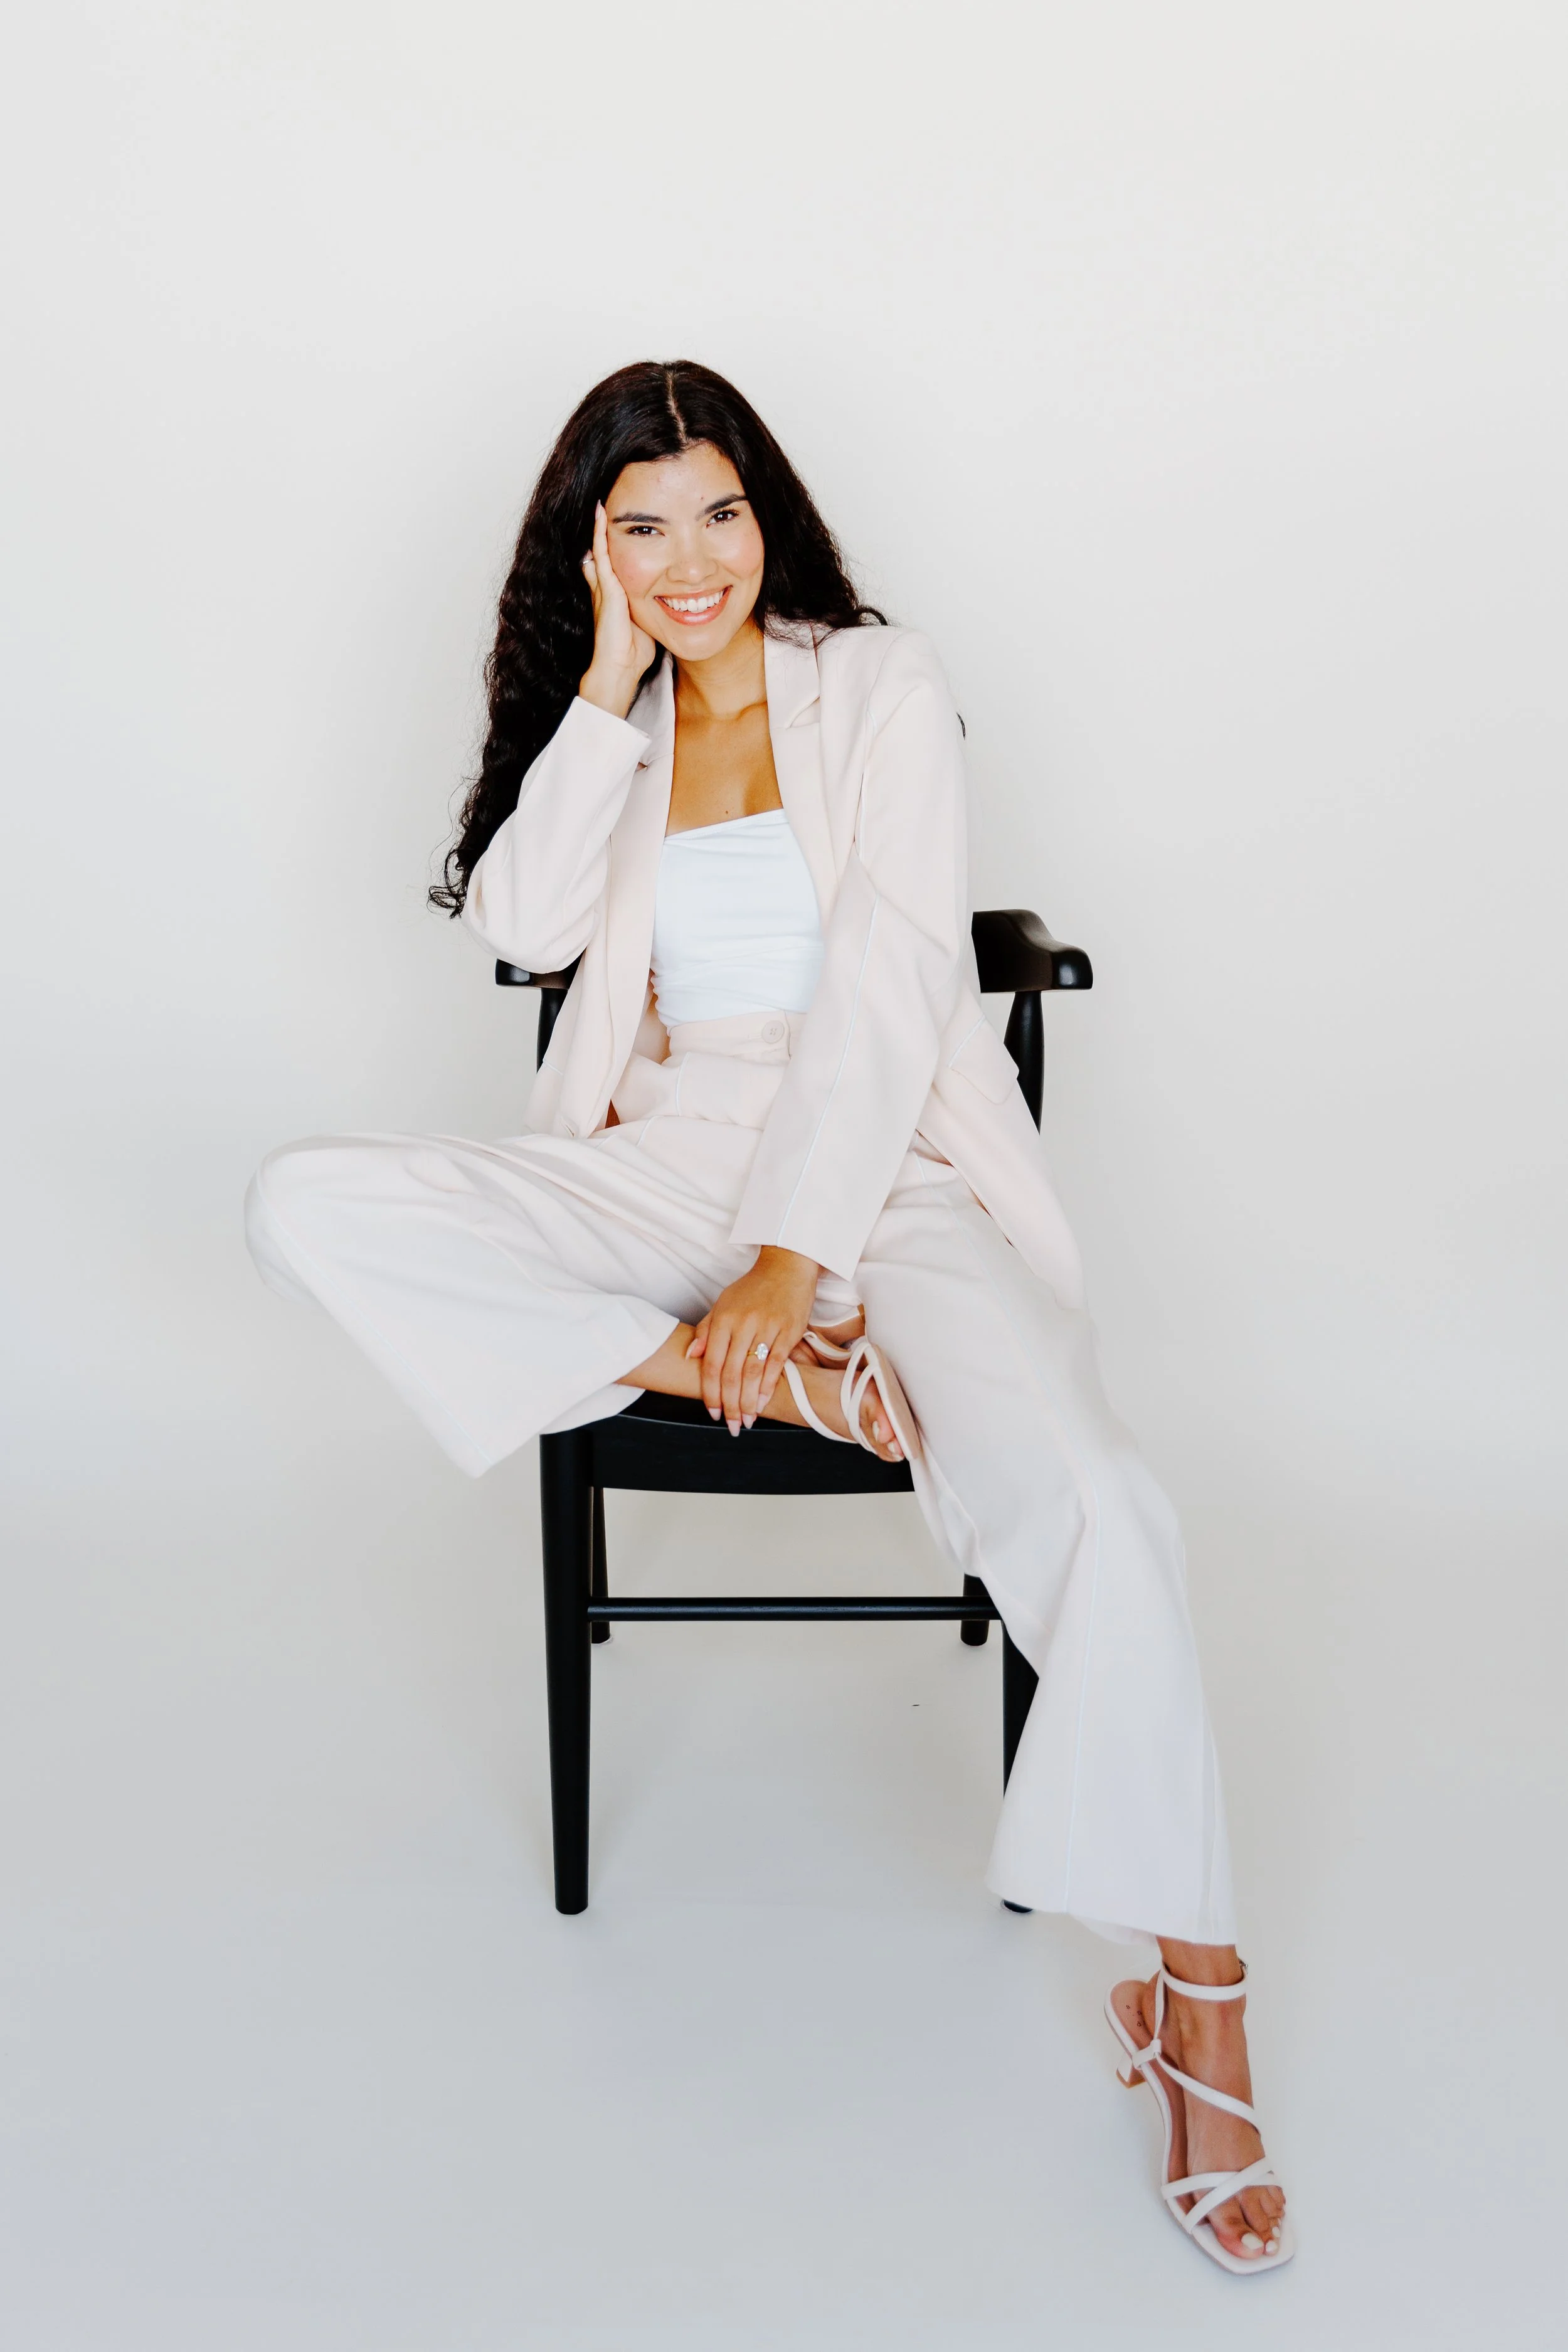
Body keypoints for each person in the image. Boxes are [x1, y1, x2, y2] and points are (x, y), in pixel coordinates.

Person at [246, 360, 1291, 2272]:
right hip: (668, 1155)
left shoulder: (873, 684)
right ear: (593, 551)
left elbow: (891, 982)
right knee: (301, 1199)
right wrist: (600, 684)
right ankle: (767, 1383)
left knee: (1096, 1492)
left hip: (883, 1166)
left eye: (715, 513)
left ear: (768, 512)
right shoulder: (620, 718)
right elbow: (521, 930)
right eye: (639, 527)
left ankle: (1196, 1993)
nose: (690, 559)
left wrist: (793, 1262)